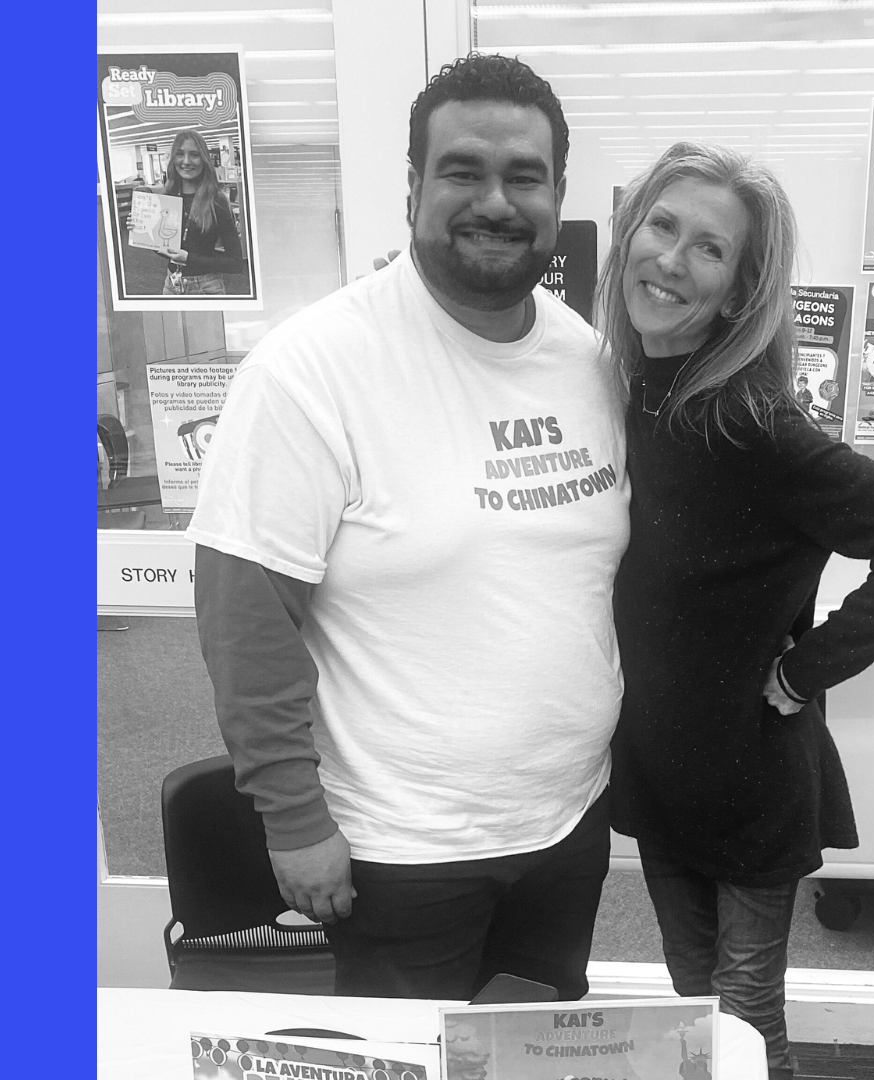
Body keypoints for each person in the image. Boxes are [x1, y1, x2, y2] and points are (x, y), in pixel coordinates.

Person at [186, 54, 630, 1001]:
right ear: (414, 188)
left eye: (525, 176)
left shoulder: (586, 360)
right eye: (463, 171)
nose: (496, 202)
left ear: (558, 193)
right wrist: (294, 821)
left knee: (533, 1061)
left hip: (567, 824)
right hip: (401, 849)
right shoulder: (314, 369)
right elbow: (245, 615)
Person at [594, 142, 874, 1080]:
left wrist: (810, 668)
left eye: (710, 249)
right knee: (693, 996)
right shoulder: (627, 391)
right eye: (662, 225)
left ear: (737, 290)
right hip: (658, 761)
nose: (673, 261)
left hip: (748, 771)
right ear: (628, 237)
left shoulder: (751, 423)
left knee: (746, 1014)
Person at [144, 128, 247, 295]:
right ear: (173, 158)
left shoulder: (216, 200)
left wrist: (188, 258)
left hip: (206, 287)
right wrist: (143, 229)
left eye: (194, 154)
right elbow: (163, 248)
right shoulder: (167, 197)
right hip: (171, 284)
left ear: (204, 159)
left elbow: (235, 263)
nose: (186, 161)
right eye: (180, 154)